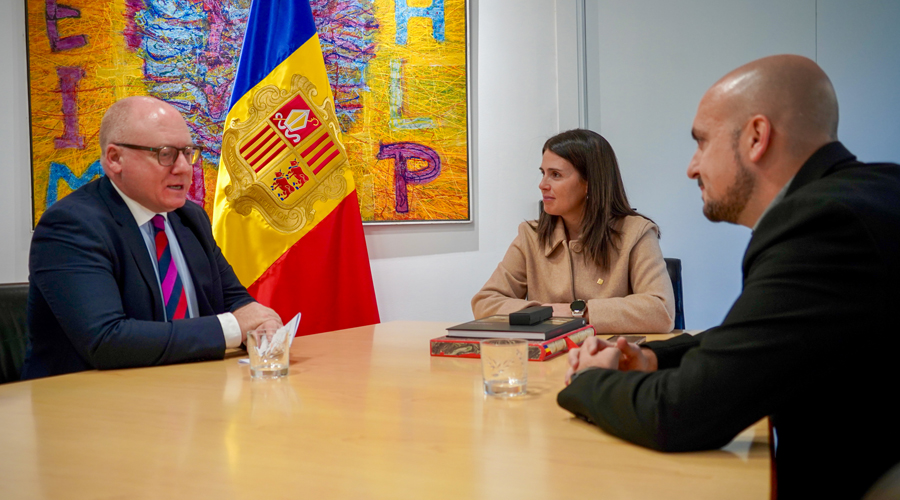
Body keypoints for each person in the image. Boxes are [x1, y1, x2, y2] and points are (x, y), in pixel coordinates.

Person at [557, 55, 900, 499]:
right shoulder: (873, 192)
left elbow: (684, 414)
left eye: (702, 142)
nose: (692, 166)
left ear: (757, 137)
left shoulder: (821, 224)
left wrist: (588, 381)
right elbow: (756, 337)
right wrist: (654, 359)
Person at [21, 96, 283, 380]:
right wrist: (233, 328)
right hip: (90, 406)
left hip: (191, 392)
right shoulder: (72, 226)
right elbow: (107, 340)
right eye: (166, 154)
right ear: (115, 159)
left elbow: (234, 300)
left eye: (187, 152)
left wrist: (262, 321)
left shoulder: (189, 218)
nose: (184, 167)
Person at [472, 129, 675, 334]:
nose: (542, 185)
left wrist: (577, 313)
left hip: (612, 359)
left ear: (589, 183)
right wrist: (546, 313)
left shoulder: (636, 233)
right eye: (543, 173)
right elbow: (485, 302)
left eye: (556, 175)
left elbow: (661, 311)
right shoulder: (530, 235)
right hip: (547, 362)